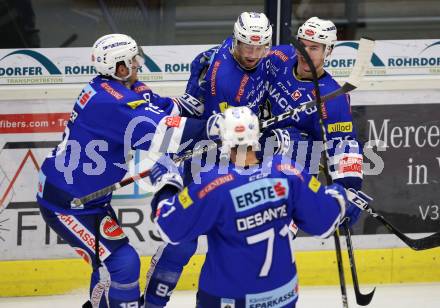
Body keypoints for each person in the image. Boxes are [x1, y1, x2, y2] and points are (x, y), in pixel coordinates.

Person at [36, 33, 218, 308]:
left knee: (111, 264)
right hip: (67, 203)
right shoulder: (113, 103)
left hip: (86, 197)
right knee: (123, 263)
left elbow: (158, 108)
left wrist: (187, 101)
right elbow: (162, 133)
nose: (138, 62)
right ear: (120, 67)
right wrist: (217, 128)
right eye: (133, 59)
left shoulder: (118, 89)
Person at [142, 12, 300, 308]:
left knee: (232, 242)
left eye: (260, 47)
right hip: (208, 156)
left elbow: (293, 57)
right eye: (247, 47)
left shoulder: (267, 54)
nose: (253, 54)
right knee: (181, 243)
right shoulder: (223, 77)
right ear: (236, 40)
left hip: (232, 154)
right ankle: (151, 303)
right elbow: (225, 132)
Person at [147, 106, 364, 308]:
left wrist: (167, 184)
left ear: (223, 138)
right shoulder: (287, 169)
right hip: (282, 296)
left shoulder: (212, 184)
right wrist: (341, 195)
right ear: (257, 135)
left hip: (226, 297)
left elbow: (170, 226)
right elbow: (325, 220)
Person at [264, 16, 364, 191]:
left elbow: (345, 149)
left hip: (294, 182)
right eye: (302, 45)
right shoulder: (281, 57)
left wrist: (346, 196)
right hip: (254, 161)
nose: (305, 54)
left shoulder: (333, 99)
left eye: (314, 48)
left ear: (329, 51)